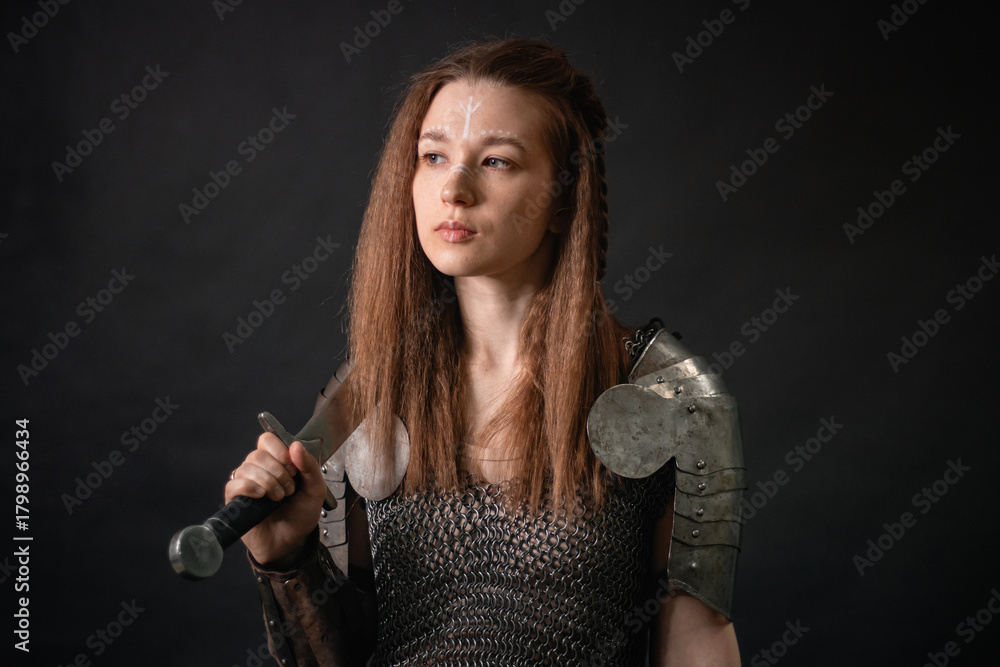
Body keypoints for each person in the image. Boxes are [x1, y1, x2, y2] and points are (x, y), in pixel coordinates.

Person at [225, 37, 743, 666]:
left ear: (561, 198)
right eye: (434, 156)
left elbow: (699, 643)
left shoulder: (668, 398)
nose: (455, 189)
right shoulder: (365, 399)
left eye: (496, 161)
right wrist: (285, 556)